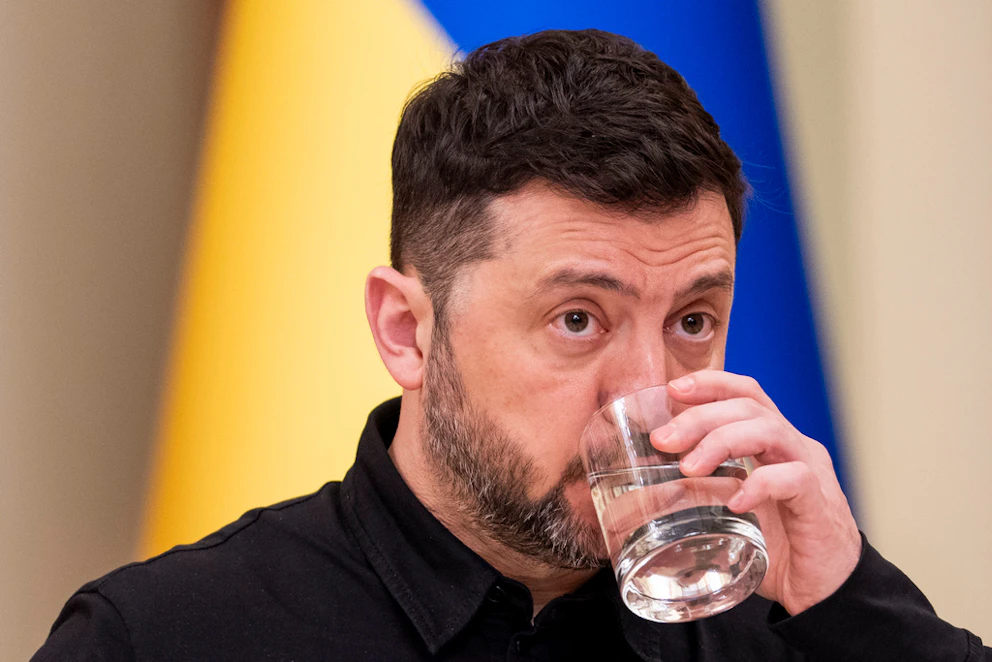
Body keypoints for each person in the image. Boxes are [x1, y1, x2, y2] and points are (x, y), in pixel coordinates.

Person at [34, 29, 988, 661]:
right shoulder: (165, 638)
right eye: (578, 319)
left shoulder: (781, 630)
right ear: (407, 331)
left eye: (692, 321)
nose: (649, 394)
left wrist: (853, 604)